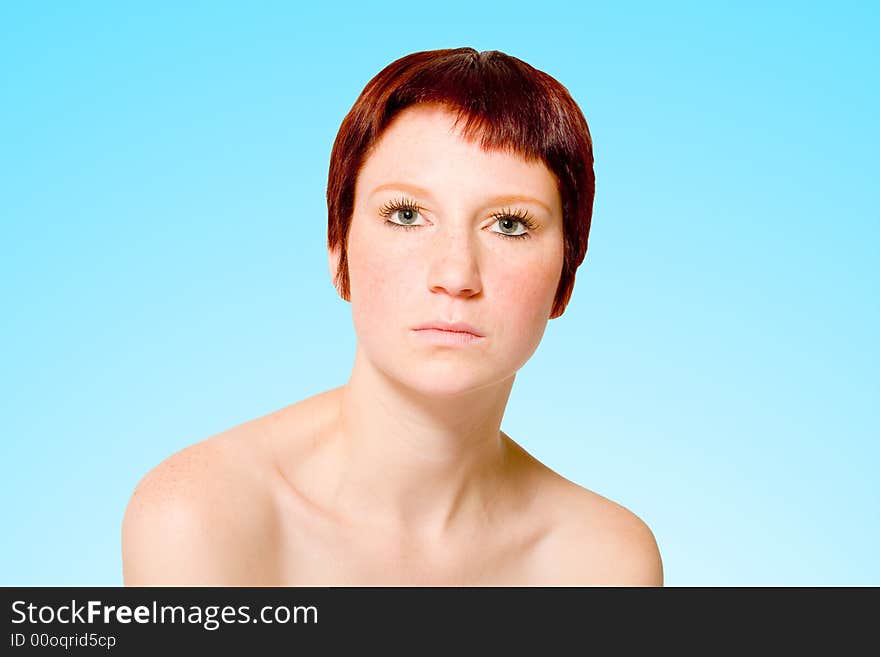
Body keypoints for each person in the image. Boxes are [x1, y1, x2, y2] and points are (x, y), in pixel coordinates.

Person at [122, 47, 663, 586]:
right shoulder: (201, 517)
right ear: (339, 249)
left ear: (566, 275)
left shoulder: (605, 563)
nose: (456, 274)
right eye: (406, 215)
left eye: (510, 225)